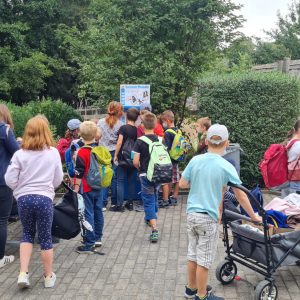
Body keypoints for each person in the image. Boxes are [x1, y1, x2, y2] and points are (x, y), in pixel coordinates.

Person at [179, 124, 261, 300]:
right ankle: (202, 296)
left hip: (192, 215)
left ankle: (191, 288)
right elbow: (241, 195)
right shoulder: (226, 166)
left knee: (192, 254)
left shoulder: (195, 160)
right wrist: (253, 217)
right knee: (204, 260)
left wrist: (200, 182)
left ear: (207, 141)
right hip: (208, 218)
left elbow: (182, 184)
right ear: (227, 143)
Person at [5, 115, 64, 289]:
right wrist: (48, 189)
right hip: (44, 198)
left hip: (24, 199)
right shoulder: (52, 153)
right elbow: (58, 178)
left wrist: (19, 190)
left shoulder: (19, 154)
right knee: (45, 237)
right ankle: (48, 276)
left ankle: (23, 273)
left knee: (27, 234)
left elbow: (9, 179)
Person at [74, 121, 104, 253]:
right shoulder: (99, 149)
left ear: (81, 134)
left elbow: (79, 173)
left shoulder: (82, 152)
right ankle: (98, 238)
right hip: (99, 185)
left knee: (88, 214)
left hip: (87, 187)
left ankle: (89, 243)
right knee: (98, 212)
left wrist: (75, 189)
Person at [133, 113, 160, 243]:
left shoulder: (139, 141)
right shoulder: (161, 139)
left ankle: (154, 229)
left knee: (148, 200)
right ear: (155, 125)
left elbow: (135, 161)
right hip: (159, 174)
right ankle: (151, 217)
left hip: (145, 174)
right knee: (154, 196)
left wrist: (140, 169)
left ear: (143, 125)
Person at [0, 104, 19, 269]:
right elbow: (17, 152)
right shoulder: (4, 130)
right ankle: (0, 258)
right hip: (2, 181)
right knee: (2, 220)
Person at [98, 102, 123, 209]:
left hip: (103, 152)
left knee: (104, 177)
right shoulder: (120, 124)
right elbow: (119, 141)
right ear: (119, 111)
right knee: (114, 178)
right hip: (114, 152)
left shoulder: (100, 122)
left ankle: (102, 203)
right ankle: (113, 202)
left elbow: (97, 137)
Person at [114, 108, 139, 212]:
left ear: (127, 116)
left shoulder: (123, 128)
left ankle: (119, 205)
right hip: (133, 158)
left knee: (120, 180)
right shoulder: (137, 130)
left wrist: (115, 155)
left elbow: (119, 142)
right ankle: (130, 203)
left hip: (123, 158)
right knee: (131, 181)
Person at [160, 110, 180, 207]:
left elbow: (166, 148)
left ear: (167, 121)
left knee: (167, 179)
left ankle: (165, 199)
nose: (163, 124)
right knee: (175, 178)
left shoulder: (168, 132)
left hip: (169, 160)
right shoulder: (178, 130)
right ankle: (174, 197)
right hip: (177, 158)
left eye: (163, 121)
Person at [282, 120, 300, 197]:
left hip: (288, 180)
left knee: (286, 206)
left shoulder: (290, 142)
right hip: (296, 184)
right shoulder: (298, 144)